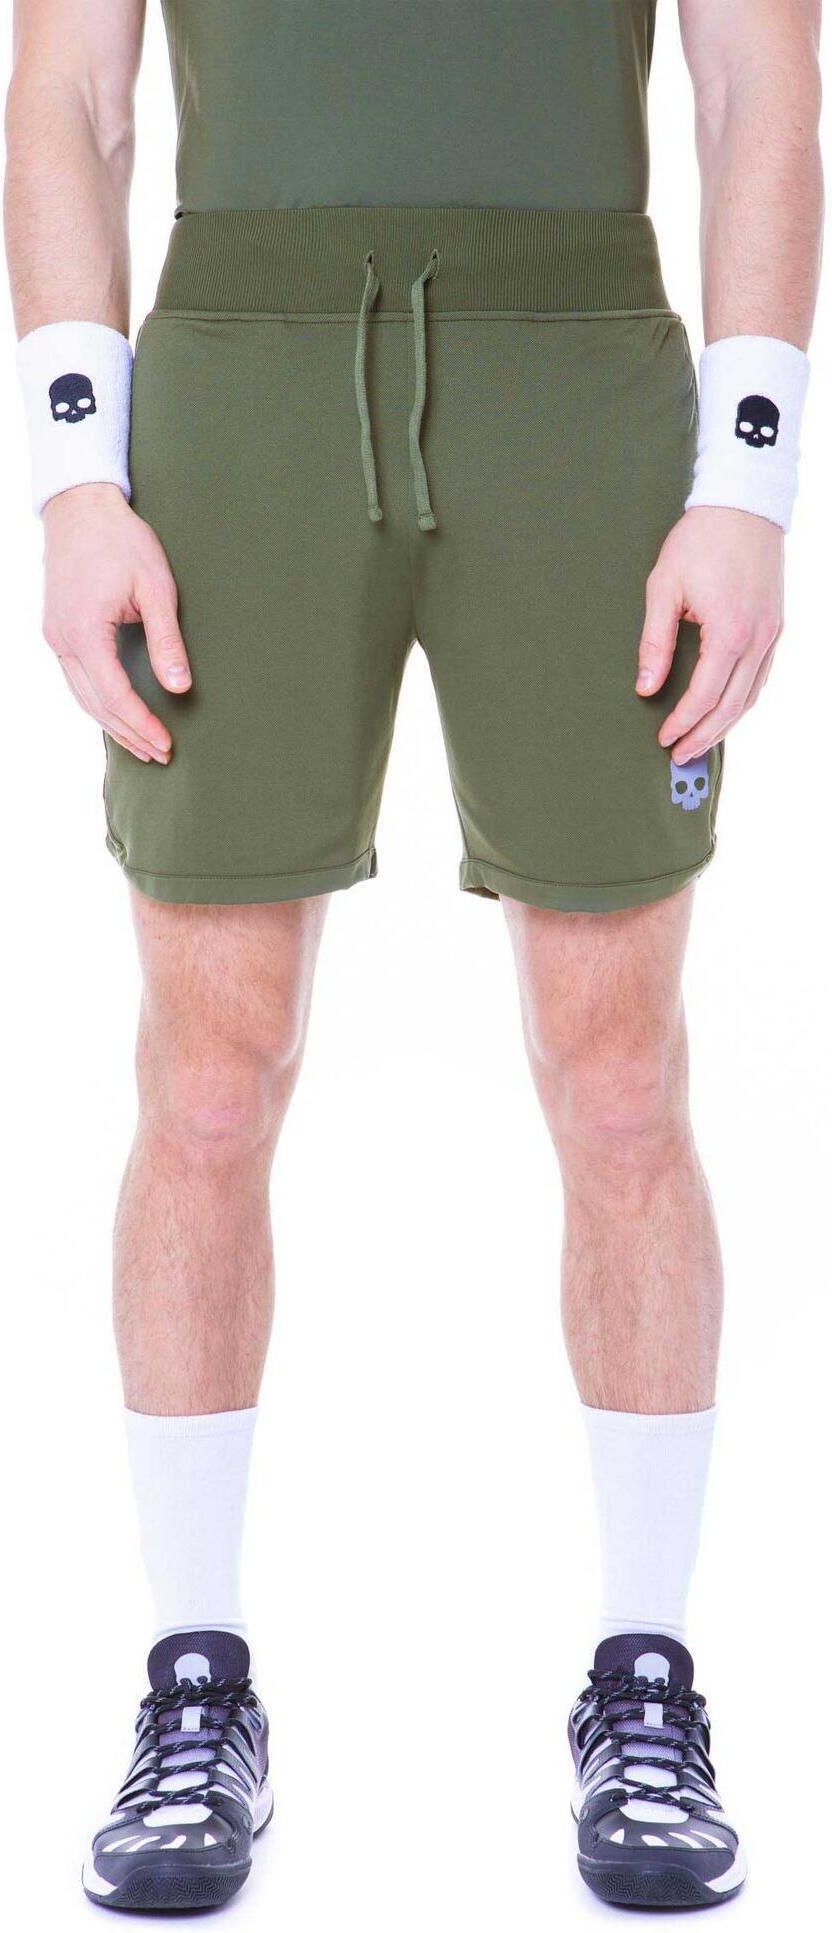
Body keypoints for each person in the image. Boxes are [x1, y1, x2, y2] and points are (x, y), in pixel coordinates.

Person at [5, 0, 822, 1913]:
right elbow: (68, 87)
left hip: (583, 382)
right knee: (209, 1077)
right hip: (238, 388)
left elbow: (758, 76)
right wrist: (74, 472)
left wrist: (749, 479)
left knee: (620, 1075)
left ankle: (647, 1676)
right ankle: (194, 1677)